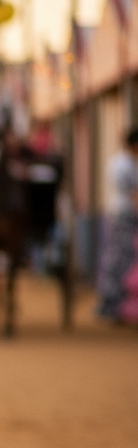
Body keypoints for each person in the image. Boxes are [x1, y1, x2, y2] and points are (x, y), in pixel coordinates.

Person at [97, 128, 138, 321]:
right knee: (119, 258)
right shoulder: (123, 164)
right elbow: (133, 193)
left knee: (122, 257)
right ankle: (111, 304)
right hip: (123, 215)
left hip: (124, 213)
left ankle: (118, 304)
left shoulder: (126, 162)